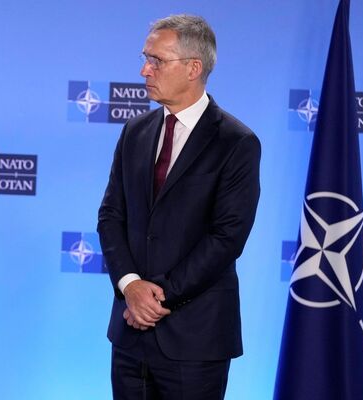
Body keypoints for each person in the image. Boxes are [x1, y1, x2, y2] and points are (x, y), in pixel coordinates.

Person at [98, 14, 261, 400]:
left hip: (195, 339)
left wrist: (156, 297)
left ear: (193, 68)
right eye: (145, 58)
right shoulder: (135, 132)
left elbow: (227, 237)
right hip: (129, 336)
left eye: (156, 60)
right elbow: (111, 216)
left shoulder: (236, 143)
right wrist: (130, 286)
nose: (144, 70)